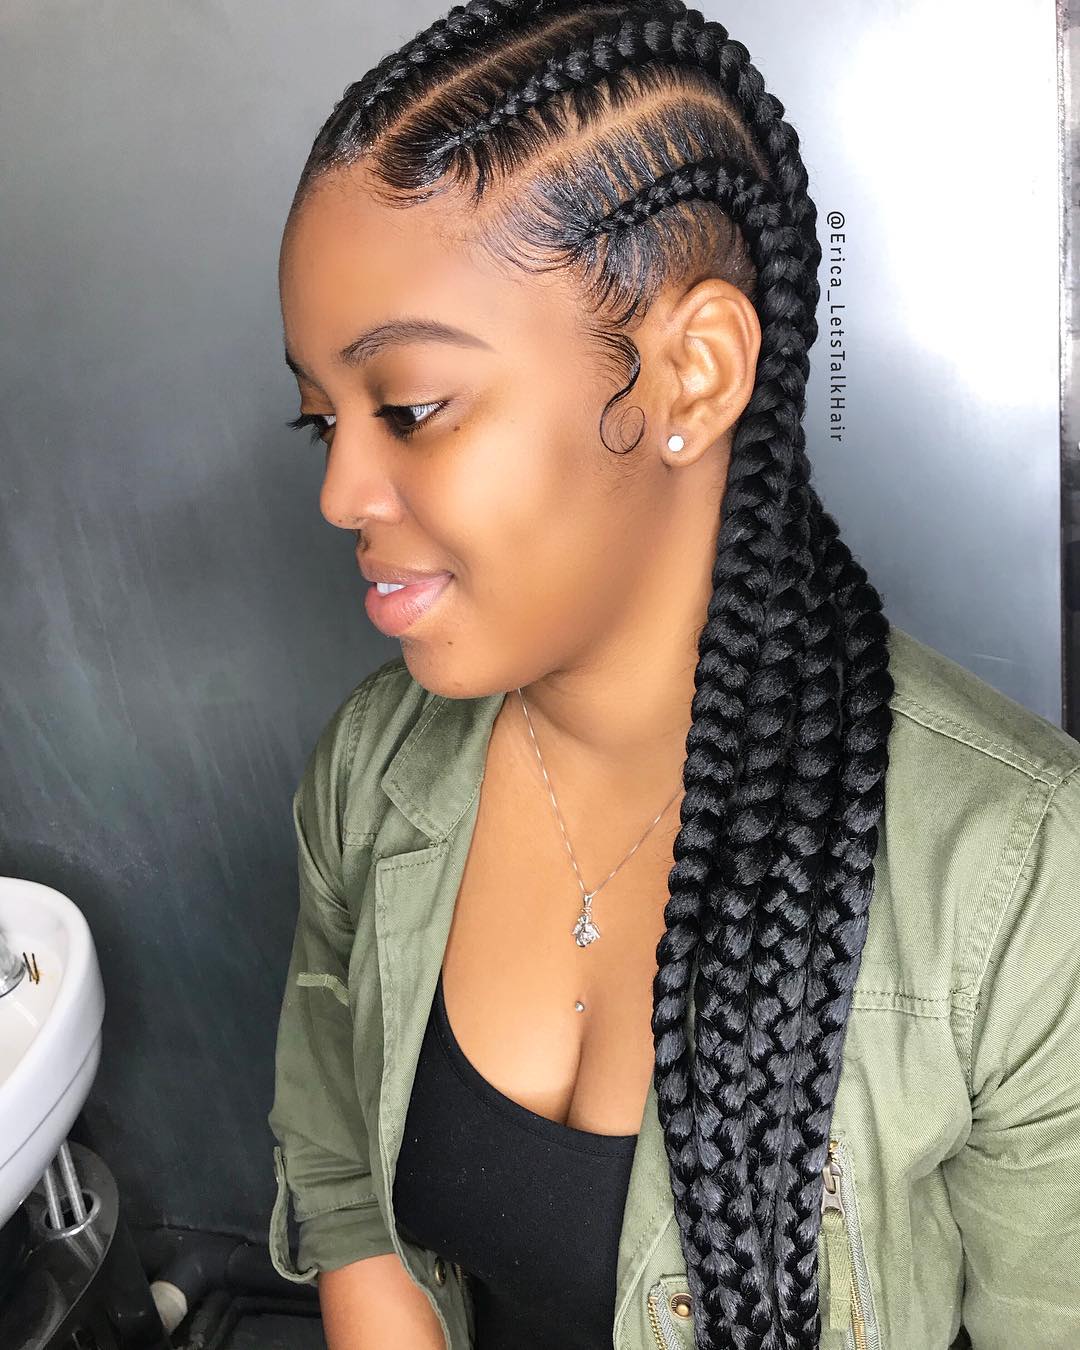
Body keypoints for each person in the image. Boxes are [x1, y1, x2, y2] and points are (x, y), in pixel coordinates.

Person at [267, 2, 1080, 1347]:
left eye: (410, 407)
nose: (343, 490)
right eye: (321, 421)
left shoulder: (1020, 883)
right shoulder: (375, 771)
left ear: (693, 376)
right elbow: (348, 1192)